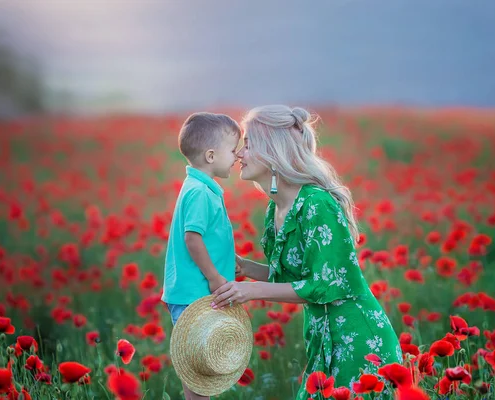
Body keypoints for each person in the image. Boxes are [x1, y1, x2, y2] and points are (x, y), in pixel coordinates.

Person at [212, 105, 402, 399]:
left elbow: (323, 285)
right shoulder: (277, 209)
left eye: (247, 145)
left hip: (360, 341)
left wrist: (249, 291)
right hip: (323, 338)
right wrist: (247, 269)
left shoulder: (317, 204)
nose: (238, 154)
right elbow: (291, 280)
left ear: (271, 150)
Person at [161, 112, 241, 400]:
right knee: (198, 372)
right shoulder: (200, 193)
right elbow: (192, 239)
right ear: (210, 155)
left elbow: (204, 238)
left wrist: (229, 264)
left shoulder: (200, 188)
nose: (238, 155)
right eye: (233, 150)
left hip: (195, 289)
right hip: (195, 292)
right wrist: (215, 277)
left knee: (200, 372)